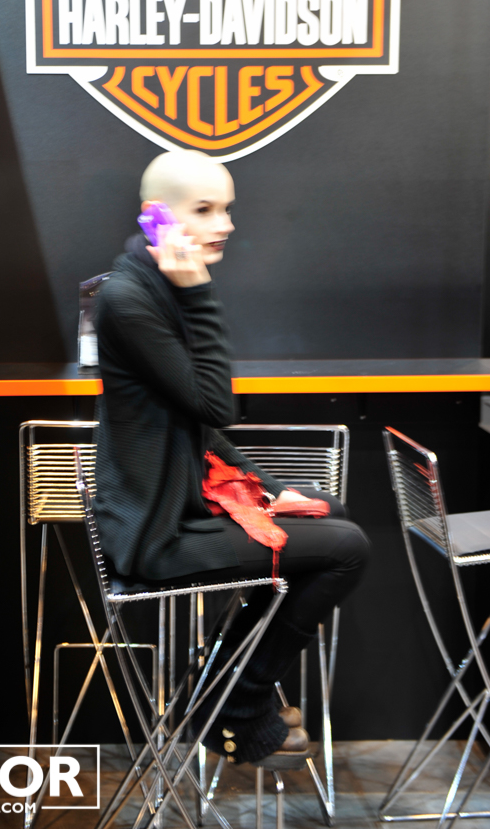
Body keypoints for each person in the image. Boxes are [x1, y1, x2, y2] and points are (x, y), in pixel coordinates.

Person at [94, 149, 370, 765]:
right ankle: (235, 703)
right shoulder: (130, 297)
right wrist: (199, 294)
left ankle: (223, 684)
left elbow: (198, 425)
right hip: (155, 536)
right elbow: (216, 405)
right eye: (204, 210)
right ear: (157, 217)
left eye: (226, 209)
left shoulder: (152, 283)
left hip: (177, 510)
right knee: (347, 549)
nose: (225, 224)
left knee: (331, 514)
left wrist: (269, 489)